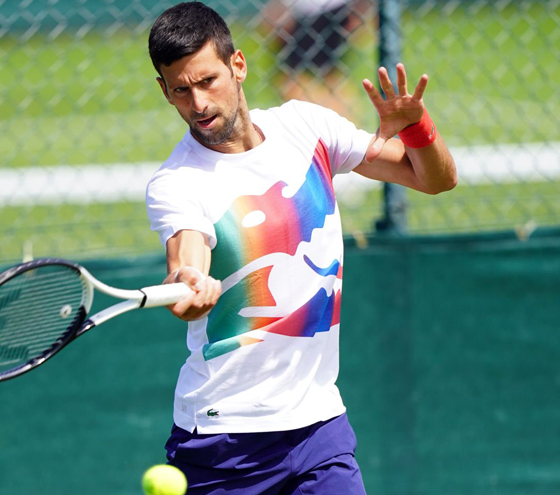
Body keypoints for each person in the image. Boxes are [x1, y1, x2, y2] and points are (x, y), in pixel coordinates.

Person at [145, 2, 456, 494]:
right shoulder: (177, 184)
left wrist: (417, 125)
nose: (198, 103)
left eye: (207, 82)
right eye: (181, 90)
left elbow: (434, 179)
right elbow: (187, 260)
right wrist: (190, 285)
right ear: (165, 91)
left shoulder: (306, 127)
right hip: (224, 442)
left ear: (238, 65)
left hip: (318, 427)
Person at [262, 0, 370, 117]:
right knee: (298, 76)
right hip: (309, 12)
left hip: (317, 11)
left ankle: (333, 119)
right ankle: (321, 118)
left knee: (303, 76)